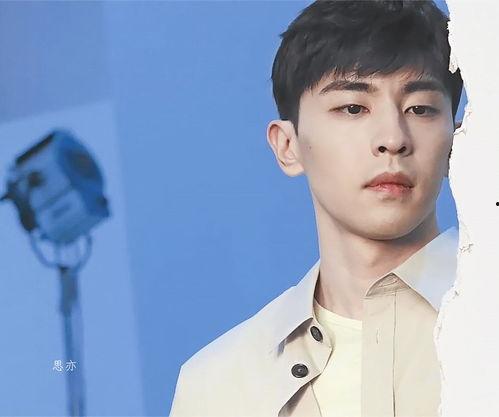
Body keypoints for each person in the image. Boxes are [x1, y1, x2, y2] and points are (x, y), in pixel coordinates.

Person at [170, 1, 463, 416]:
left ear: (457, 139)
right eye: (353, 108)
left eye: (420, 108)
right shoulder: (217, 385)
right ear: (287, 146)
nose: (393, 139)